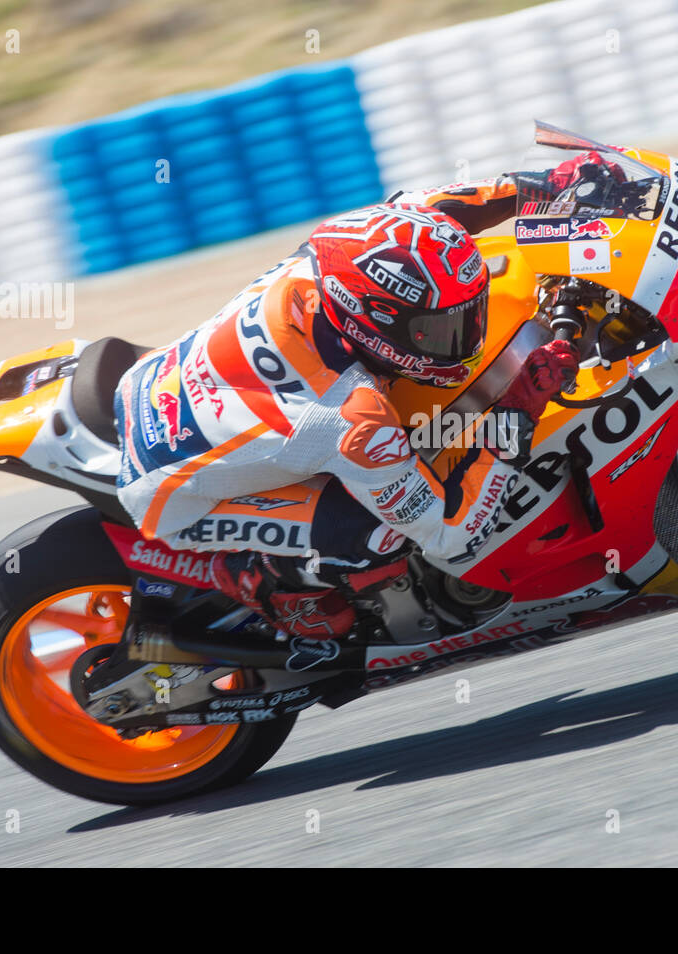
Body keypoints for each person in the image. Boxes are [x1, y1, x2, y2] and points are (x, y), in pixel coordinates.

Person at [110, 167, 601, 639]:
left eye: (468, 316)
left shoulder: (339, 252)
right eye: (441, 330)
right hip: (172, 493)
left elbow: (427, 214)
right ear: (375, 322)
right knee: (379, 535)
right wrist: (518, 408)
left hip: (165, 384)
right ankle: (253, 576)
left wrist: (543, 186)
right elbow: (452, 535)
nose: (465, 339)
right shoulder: (353, 417)